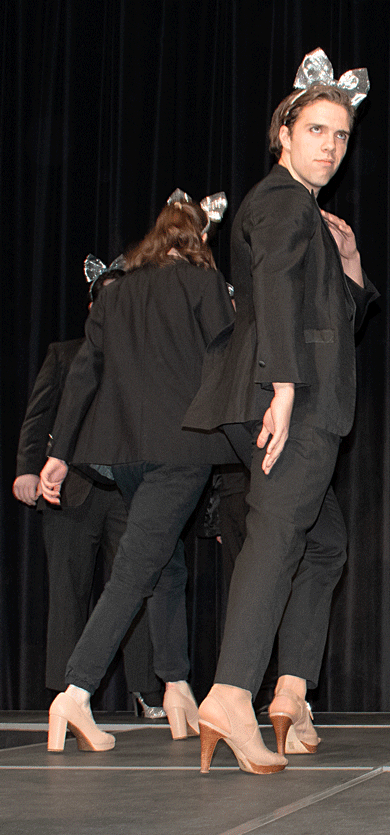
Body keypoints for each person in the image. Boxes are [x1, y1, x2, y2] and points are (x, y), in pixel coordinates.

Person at [184, 49, 378, 775]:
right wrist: (286, 388)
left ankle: (290, 693)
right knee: (276, 535)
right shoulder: (281, 200)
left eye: (342, 135)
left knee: (322, 543)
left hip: (289, 390)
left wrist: (351, 266)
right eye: (317, 130)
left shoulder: (306, 212)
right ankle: (231, 693)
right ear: (284, 135)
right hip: (291, 396)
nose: (331, 146)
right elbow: (269, 289)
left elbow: (326, 316)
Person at [39, 191, 235, 752]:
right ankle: (76, 692)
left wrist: (59, 454)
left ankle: (176, 688)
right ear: (198, 238)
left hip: (121, 453)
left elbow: (83, 374)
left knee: (164, 564)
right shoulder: (202, 282)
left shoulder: (117, 290)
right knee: (134, 570)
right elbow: (228, 358)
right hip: (181, 448)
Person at [13, 257, 162, 717]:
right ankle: (67, 695)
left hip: (127, 492)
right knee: (68, 593)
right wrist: (26, 469)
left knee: (136, 589)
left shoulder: (146, 360)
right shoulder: (65, 354)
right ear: (94, 307)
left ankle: (148, 692)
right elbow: (39, 416)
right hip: (71, 489)